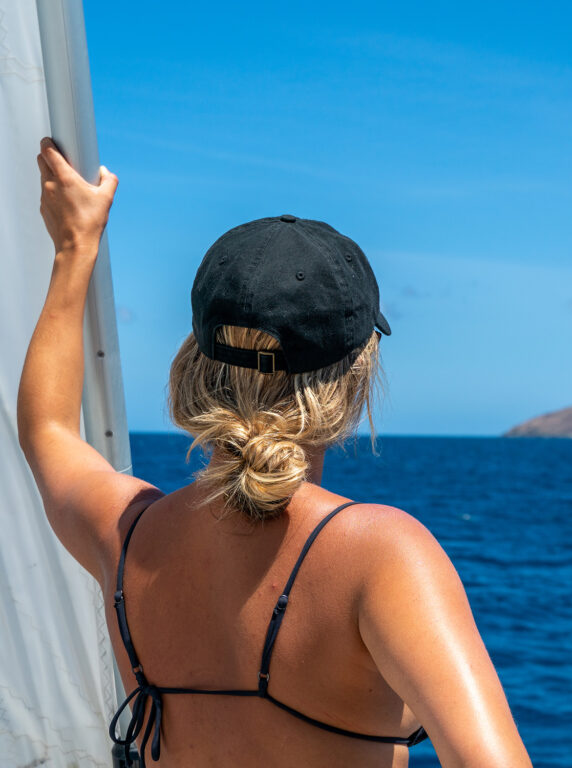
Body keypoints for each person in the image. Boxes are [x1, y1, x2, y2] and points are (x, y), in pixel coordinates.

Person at [18, 137, 533, 768]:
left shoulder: (127, 534)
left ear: (193, 363)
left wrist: (75, 248)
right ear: (355, 376)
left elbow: (47, 430)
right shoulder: (382, 555)